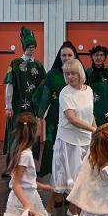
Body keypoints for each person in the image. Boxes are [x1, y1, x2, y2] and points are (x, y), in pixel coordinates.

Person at [51, 58, 96, 216]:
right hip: (69, 140)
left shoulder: (88, 90)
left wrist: (95, 131)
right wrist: (93, 129)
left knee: (84, 176)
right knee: (72, 178)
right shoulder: (65, 92)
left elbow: (90, 114)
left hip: (86, 139)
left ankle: (74, 209)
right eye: (67, 74)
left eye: (73, 74)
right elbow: (72, 119)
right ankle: (69, 210)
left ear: (80, 74)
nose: (70, 77)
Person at [33, 42, 81, 188]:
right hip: (55, 119)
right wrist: (39, 116)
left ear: (75, 56)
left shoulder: (80, 74)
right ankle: (57, 186)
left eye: (69, 55)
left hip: (76, 120)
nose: (66, 58)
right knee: (56, 151)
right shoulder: (52, 75)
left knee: (74, 153)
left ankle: (72, 187)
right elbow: (44, 97)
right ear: (59, 57)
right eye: (63, 55)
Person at [3, 27, 46, 171]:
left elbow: (44, 89)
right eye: (29, 47)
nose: (31, 49)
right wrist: (8, 106)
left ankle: (28, 167)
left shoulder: (38, 66)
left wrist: (42, 109)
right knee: (15, 135)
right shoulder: (15, 64)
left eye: (33, 47)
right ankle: (11, 167)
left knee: (31, 135)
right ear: (24, 47)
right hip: (16, 107)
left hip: (33, 109)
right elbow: (9, 84)